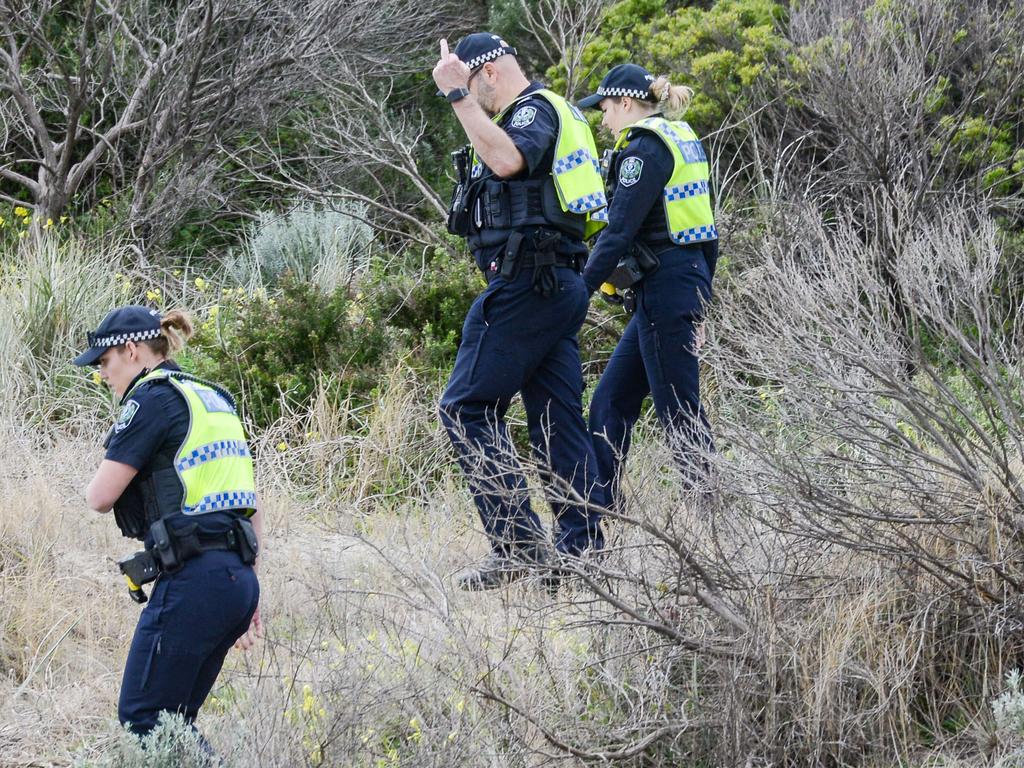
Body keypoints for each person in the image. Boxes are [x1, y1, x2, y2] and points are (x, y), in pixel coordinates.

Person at [431, 32, 609, 590]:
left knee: (465, 408)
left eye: (473, 85)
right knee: (558, 420)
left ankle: (518, 546)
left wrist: (456, 97)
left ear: (485, 74)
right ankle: (580, 554)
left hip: (529, 283)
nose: (474, 100)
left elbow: (507, 160)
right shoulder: (555, 110)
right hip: (557, 283)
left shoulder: (532, 110)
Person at [74, 305, 262, 747]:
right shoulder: (213, 397)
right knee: (174, 722)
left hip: (195, 577)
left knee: (143, 719)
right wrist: (250, 584)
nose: (102, 375)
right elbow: (251, 504)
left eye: (104, 362)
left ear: (133, 350)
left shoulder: (150, 398)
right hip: (236, 578)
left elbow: (99, 497)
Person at [578, 63, 719, 506]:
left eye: (604, 108)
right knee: (610, 400)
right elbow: (708, 231)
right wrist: (702, 297)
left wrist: (579, 293)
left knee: (678, 407)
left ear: (625, 103)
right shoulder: (681, 138)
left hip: (665, 288)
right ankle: (600, 510)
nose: (602, 119)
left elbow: (618, 233)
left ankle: (711, 511)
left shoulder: (642, 151)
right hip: (680, 284)